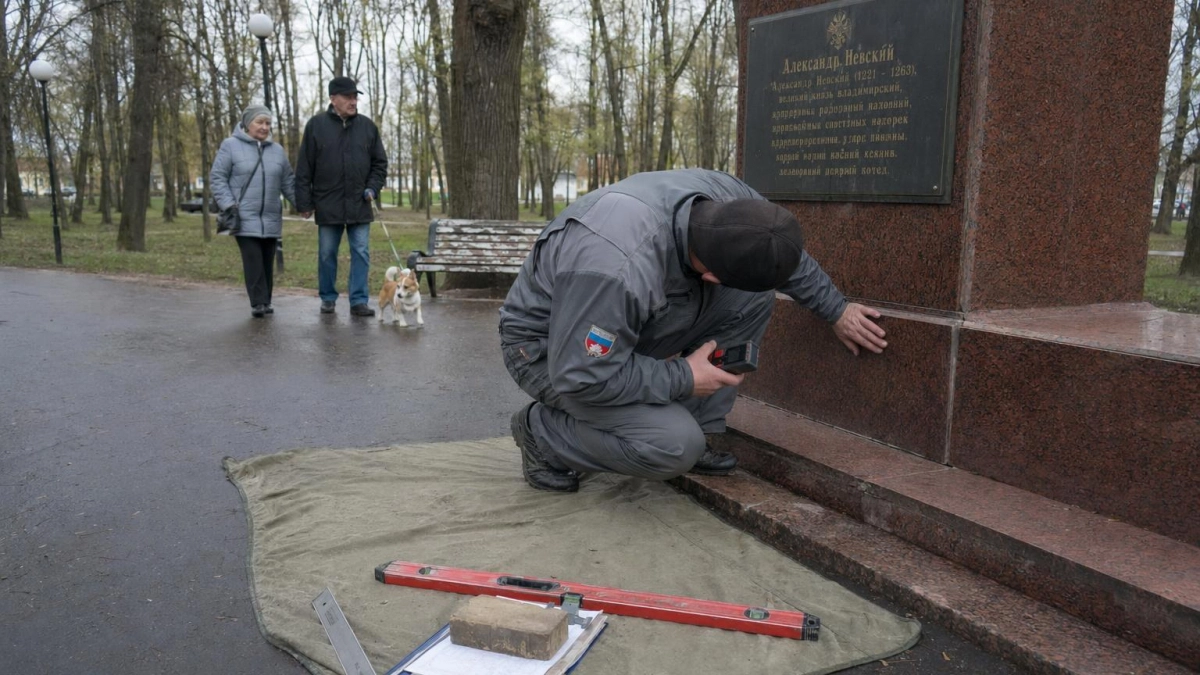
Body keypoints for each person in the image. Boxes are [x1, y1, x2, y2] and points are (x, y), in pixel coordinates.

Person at [499, 169, 888, 493]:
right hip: (549, 352)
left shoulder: (732, 203)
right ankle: (542, 433)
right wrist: (683, 377)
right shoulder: (615, 268)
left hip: (623, 321)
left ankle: (700, 427)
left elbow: (779, 251)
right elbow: (581, 375)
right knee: (673, 447)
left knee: (753, 299)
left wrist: (836, 309)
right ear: (713, 277)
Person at [295, 76, 388, 316]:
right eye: (348, 97)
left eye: (355, 97)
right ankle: (327, 298)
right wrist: (304, 202)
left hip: (360, 203)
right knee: (327, 254)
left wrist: (373, 188)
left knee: (361, 252)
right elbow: (304, 167)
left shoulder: (367, 127)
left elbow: (380, 164)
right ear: (333, 99)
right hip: (328, 204)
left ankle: (358, 300)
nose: (353, 101)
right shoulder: (316, 126)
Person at [210, 105, 296, 318]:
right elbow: (218, 177)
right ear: (247, 124)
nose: (264, 127)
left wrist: (303, 205)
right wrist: (229, 204)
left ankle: (266, 300)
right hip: (242, 215)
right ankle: (258, 302)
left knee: (267, 259)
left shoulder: (277, 150)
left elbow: (288, 182)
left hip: (270, 216)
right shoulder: (230, 146)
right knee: (253, 258)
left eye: (268, 123)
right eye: (260, 122)